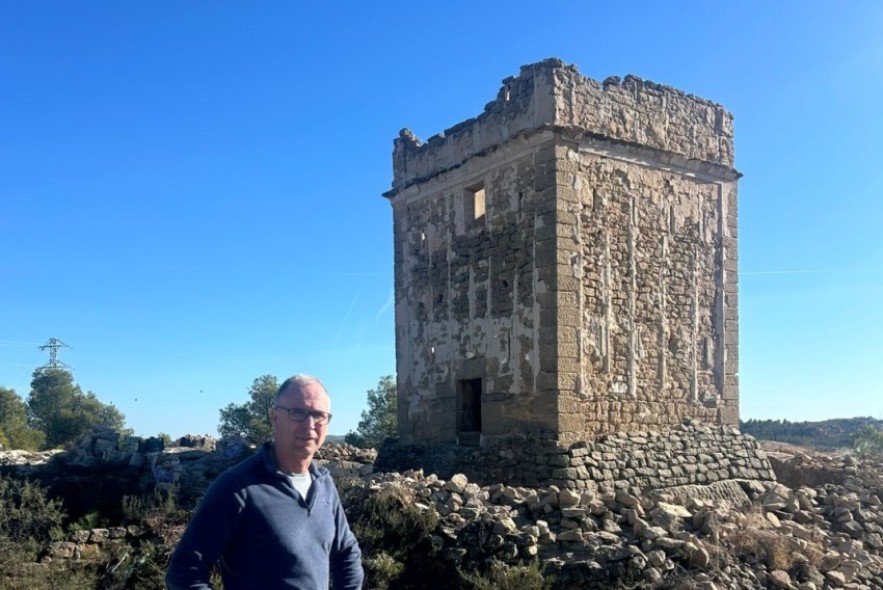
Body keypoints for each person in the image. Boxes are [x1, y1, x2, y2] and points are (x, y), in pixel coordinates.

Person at [165, 374, 364, 590]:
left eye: (319, 415)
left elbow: (347, 553)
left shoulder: (324, 485)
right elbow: (184, 573)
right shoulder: (237, 488)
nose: (310, 424)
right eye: (298, 413)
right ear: (275, 417)